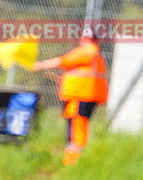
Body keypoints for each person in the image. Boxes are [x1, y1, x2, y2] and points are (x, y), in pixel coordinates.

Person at [33, 27, 108, 166]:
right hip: (85, 96)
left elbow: (63, 61)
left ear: (84, 39)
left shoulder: (87, 51)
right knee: (79, 127)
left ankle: (72, 161)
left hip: (80, 97)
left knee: (76, 128)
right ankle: (77, 159)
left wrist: (41, 65)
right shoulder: (96, 54)